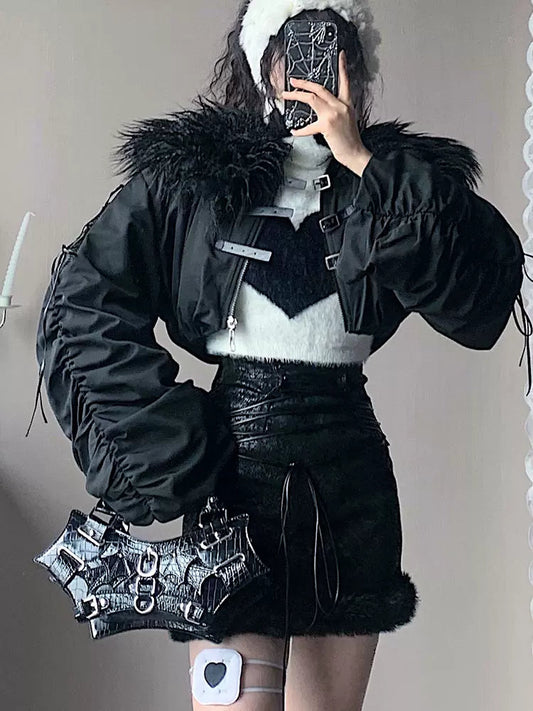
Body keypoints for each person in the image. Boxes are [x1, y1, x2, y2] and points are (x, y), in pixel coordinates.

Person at [28, 1, 529, 709]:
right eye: (296, 46)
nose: (315, 66)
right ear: (263, 63)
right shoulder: (192, 180)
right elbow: (84, 296)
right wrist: (162, 442)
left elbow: (478, 296)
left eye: (334, 46)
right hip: (233, 479)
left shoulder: (398, 184)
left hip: (350, 480)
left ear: (357, 65)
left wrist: (362, 160)